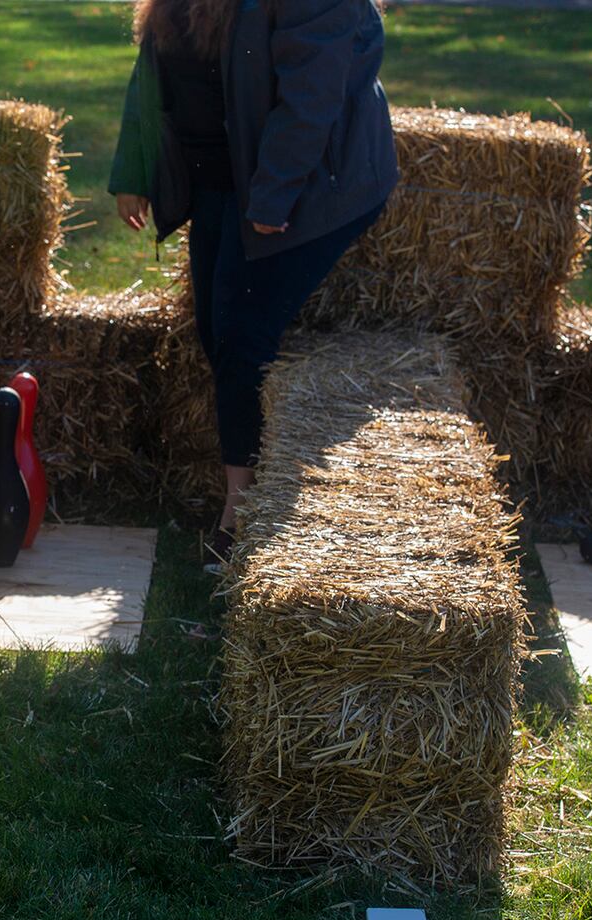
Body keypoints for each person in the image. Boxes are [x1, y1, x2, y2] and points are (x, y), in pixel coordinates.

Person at [108, 0, 398, 566]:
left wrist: (274, 193)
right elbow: (154, 65)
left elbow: (312, 94)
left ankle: (240, 519)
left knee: (242, 339)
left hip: (307, 186)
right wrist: (134, 169)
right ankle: (262, 485)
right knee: (215, 332)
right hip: (226, 180)